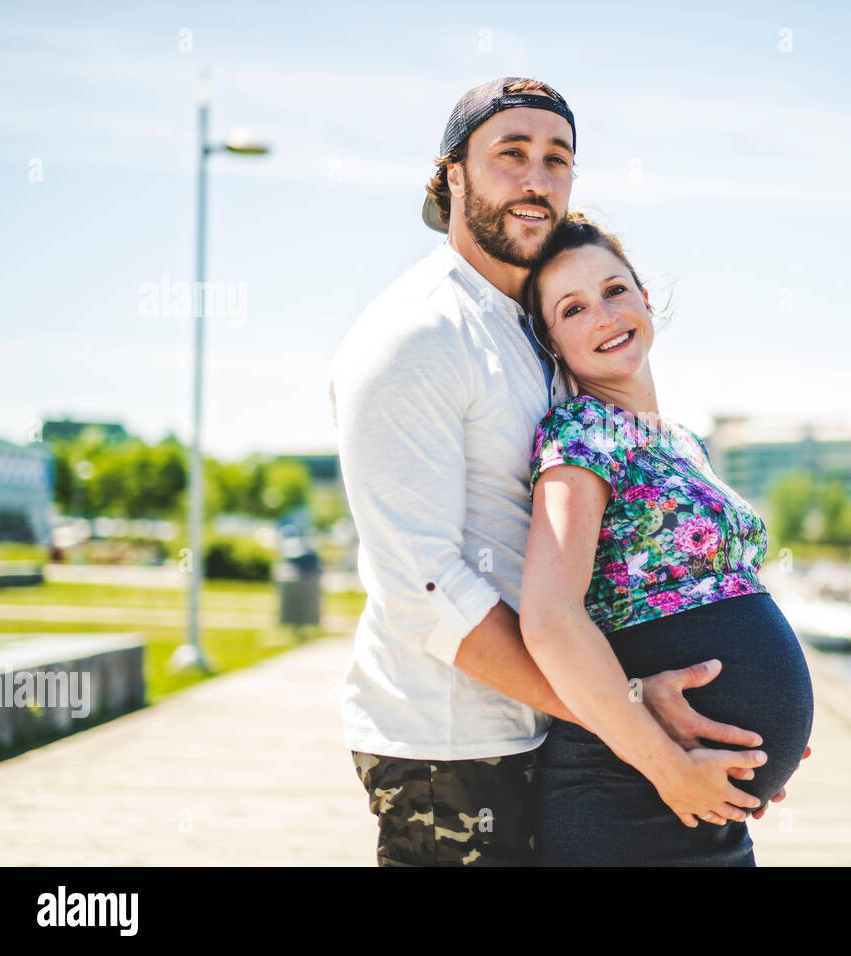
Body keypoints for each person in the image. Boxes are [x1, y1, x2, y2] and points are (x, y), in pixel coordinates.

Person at [328, 77, 775, 867]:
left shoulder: (534, 332)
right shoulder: (415, 335)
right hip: (454, 746)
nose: (538, 178)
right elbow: (422, 591)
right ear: (452, 176)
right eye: (511, 155)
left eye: (557, 159)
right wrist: (636, 725)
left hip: (558, 734)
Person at [520, 212, 816, 866]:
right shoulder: (580, 432)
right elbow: (549, 617)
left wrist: (773, 742)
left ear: (645, 298)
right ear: (552, 343)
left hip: (706, 799)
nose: (603, 314)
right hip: (629, 793)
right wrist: (665, 758)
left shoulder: (684, 441)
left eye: (614, 290)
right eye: (573, 309)